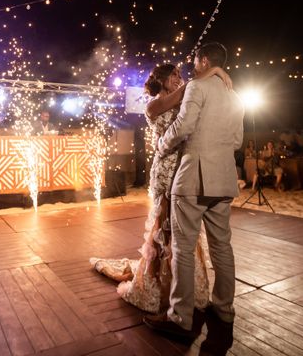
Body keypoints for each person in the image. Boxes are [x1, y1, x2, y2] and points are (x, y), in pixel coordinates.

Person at [90, 60, 231, 315]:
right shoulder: (154, 104)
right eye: (174, 75)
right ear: (162, 79)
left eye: (180, 74)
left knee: (184, 234)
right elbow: (187, 90)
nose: (179, 78)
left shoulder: (184, 99)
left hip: (186, 167)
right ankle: (160, 287)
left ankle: (184, 289)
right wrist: (215, 72)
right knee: (165, 230)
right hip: (166, 170)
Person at [143, 42, 244, 337]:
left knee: (183, 249)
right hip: (224, 178)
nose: (190, 67)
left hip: (192, 179)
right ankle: (224, 310)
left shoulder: (197, 87)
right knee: (222, 246)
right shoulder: (234, 94)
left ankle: (180, 318)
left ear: (202, 61)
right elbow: (237, 140)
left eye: (194, 61)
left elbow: (184, 126)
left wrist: (163, 144)